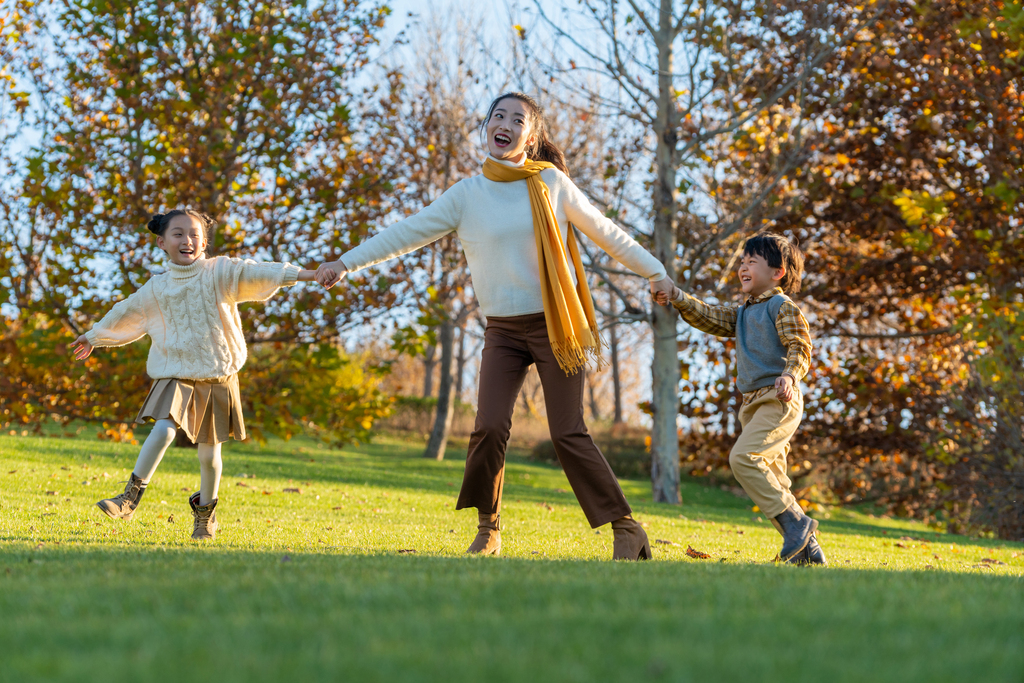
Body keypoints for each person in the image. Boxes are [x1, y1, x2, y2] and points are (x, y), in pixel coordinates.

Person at [316, 92, 676, 560]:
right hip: (502, 332)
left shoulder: (551, 183)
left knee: (567, 432)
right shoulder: (467, 195)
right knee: (487, 425)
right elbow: (405, 232)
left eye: (517, 119)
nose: (503, 124)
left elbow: (604, 230)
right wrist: (346, 262)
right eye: (497, 116)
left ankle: (626, 528)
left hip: (555, 327)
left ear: (532, 136)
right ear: (487, 127)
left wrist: (655, 271)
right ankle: (490, 528)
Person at [71, 209, 317, 540]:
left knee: (209, 455)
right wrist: (94, 336)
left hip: (217, 372)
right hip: (175, 372)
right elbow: (125, 312)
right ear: (161, 242)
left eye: (195, 235)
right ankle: (128, 499)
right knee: (163, 430)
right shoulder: (156, 288)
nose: (188, 240)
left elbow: (261, 271)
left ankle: (205, 517)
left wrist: (311, 275)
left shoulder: (220, 273)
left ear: (204, 242)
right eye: (178, 234)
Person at [668, 232, 826, 565]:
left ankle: (797, 524)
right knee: (775, 480)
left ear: (777, 272)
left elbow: (801, 345)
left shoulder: (780, 306)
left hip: (778, 399)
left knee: (743, 458)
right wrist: (676, 296)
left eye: (752, 261)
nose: (743, 267)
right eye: (742, 261)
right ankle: (809, 555)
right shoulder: (742, 314)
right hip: (752, 405)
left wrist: (789, 375)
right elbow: (708, 316)